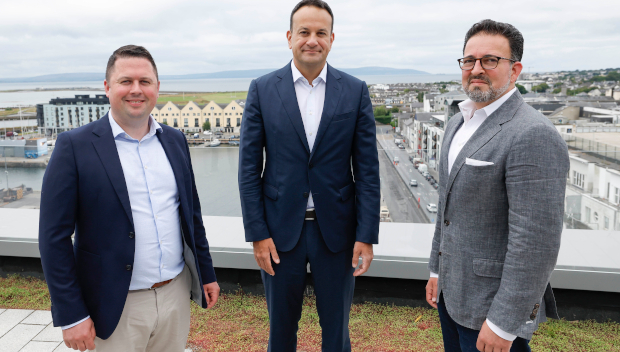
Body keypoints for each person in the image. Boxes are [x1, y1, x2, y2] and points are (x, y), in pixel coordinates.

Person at [39, 45, 220, 352]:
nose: (136, 90)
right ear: (107, 88)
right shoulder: (75, 146)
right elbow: (53, 237)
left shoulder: (174, 140)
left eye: (145, 82)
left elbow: (191, 215)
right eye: (126, 81)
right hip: (113, 305)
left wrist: (206, 273)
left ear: (157, 89)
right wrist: (71, 315)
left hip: (174, 296)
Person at [238, 1, 380, 350]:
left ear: (332, 38)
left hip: (337, 233)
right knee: (281, 332)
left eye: (320, 33)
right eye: (304, 32)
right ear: (289, 37)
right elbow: (248, 169)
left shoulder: (355, 90)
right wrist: (257, 233)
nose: (311, 40)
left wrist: (366, 235)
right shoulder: (262, 89)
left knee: (337, 332)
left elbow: (368, 171)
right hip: (278, 234)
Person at [425, 20, 569, 352]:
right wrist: (437, 269)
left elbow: (535, 244)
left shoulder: (533, 134)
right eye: (469, 60)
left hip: (492, 309)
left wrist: (504, 323)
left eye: (490, 60)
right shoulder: (456, 123)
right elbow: (446, 211)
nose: (476, 69)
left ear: (514, 69)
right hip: (452, 293)